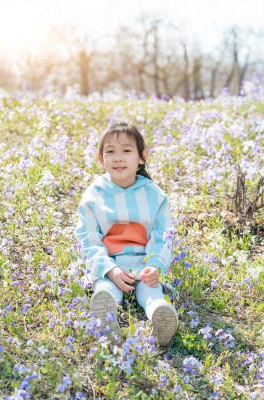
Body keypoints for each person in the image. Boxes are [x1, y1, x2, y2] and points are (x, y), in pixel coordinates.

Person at [75, 120, 178, 346]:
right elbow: (87, 238)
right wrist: (109, 269)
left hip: (144, 261)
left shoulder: (154, 195)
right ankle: (105, 315)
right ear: (100, 159)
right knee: (105, 287)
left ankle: (159, 312)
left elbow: (162, 235)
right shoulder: (94, 196)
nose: (118, 158)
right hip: (110, 262)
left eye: (126, 151)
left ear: (142, 157)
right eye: (110, 152)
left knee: (150, 289)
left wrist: (155, 265)